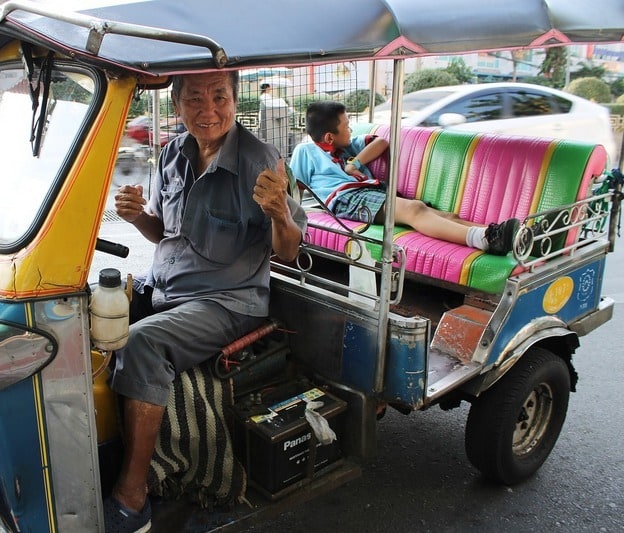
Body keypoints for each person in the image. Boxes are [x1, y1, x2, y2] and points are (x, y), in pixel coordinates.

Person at [107, 70, 306, 533]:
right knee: (86, 317)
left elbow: (288, 250)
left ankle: (131, 499)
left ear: (236, 102)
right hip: (168, 290)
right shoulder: (173, 153)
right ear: (177, 107)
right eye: (195, 99)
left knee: (140, 343)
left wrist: (279, 212)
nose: (208, 109)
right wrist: (139, 218)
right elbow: (166, 233)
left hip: (227, 302)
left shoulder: (262, 161)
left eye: (219, 97)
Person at [290, 101, 521, 255]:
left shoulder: (349, 148)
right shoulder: (306, 151)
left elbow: (381, 142)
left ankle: (506, 236)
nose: (351, 131)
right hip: (346, 198)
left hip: (371, 191)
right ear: (330, 137)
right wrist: (296, 221)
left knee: (446, 214)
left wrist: (354, 164)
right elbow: (294, 188)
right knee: (414, 210)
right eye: (347, 127)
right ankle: (482, 239)